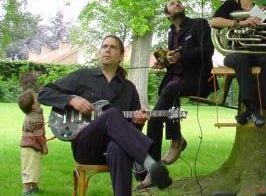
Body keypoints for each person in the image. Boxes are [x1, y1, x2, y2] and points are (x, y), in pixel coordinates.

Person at [38, 35, 172, 196]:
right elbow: (44, 93)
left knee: (120, 148)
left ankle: (146, 168)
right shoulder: (82, 76)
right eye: (104, 46)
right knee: (112, 114)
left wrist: (137, 121)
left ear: (121, 56)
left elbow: (131, 132)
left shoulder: (129, 88)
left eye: (113, 47)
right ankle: (149, 163)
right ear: (99, 52)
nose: (107, 49)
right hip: (86, 147)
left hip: (115, 149)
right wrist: (72, 100)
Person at [136, 0, 213, 189]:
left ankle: (174, 143)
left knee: (166, 98)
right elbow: (174, 58)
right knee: (158, 112)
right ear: (167, 15)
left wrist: (181, 56)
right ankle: (161, 161)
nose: (177, 3)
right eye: (172, 3)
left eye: (179, 2)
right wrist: (165, 62)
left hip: (198, 80)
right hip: (175, 83)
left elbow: (207, 51)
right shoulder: (171, 33)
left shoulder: (199, 24)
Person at [210, 0, 266, 127]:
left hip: (255, 52)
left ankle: (254, 110)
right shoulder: (231, 5)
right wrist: (241, 23)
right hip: (235, 53)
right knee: (242, 59)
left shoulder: (258, 10)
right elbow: (214, 21)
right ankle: (252, 109)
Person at [19, 90, 48, 196]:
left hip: (28, 146)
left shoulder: (33, 114)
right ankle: (27, 190)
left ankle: (34, 187)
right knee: (30, 168)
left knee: (34, 167)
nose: (38, 97)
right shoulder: (36, 118)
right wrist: (44, 145)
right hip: (31, 147)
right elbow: (38, 134)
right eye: (35, 97)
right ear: (33, 106)